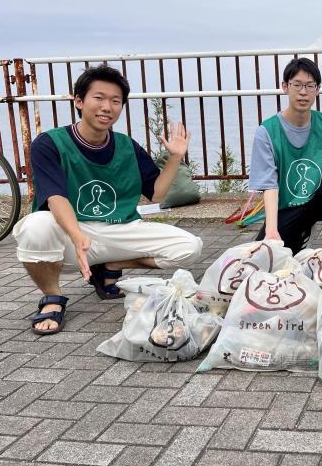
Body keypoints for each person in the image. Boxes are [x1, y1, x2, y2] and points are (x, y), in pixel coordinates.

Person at [14, 64, 203, 335]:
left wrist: (174, 157)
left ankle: (111, 266)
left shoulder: (127, 146)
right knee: (35, 226)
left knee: (189, 247)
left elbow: (157, 194)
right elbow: (55, 197)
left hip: (121, 229)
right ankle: (52, 298)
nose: (107, 107)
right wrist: (78, 236)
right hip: (74, 232)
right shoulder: (49, 143)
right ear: (79, 101)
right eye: (98, 98)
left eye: (116, 101)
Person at [249, 57, 322, 255]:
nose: (303, 92)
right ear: (285, 87)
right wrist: (272, 230)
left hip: (320, 199)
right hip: (289, 206)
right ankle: (298, 233)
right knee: (265, 257)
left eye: (310, 86)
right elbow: (269, 185)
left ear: (317, 89)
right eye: (297, 85)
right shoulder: (267, 131)